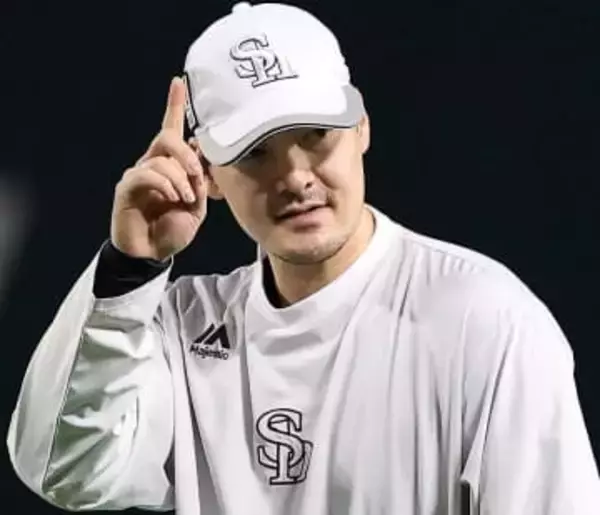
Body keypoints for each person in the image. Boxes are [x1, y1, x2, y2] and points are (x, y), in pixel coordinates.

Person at [6, 2, 600, 514]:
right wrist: (130, 270)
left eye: (316, 134)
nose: (294, 177)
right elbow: (63, 470)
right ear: (206, 173)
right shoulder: (182, 327)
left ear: (361, 127)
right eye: (255, 152)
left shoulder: (485, 318)